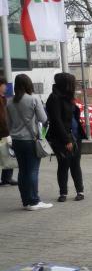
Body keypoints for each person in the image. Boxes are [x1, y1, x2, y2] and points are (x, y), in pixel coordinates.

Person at [6, 74, 50, 210]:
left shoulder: (9, 102)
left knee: (22, 171)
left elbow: (9, 124)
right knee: (32, 171)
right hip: (31, 140)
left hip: (16, 141)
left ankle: (26, 201)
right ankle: (34, 201)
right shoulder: (34, 99)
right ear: (28, 84)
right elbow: (44, 119)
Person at [45, 72, 86, 202]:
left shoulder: (68, 97)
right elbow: (56, 121)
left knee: (75, 164)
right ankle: (63, 193)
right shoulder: (54, 98)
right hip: (63, 138)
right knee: (63, 164)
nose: (74, 85)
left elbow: (73, 116)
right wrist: (66, 140)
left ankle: (80, 191)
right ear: (66, 84)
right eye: (72, 83)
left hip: (75, 135)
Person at [0, 77, 16, 186]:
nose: (5, 87)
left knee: (8, 154)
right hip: (3, 131)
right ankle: (6, 178)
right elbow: (2, 117)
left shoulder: (4, 98)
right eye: (4, 84)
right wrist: (7, 130)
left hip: (5, 131)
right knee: (7, 153)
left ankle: (7, 177)